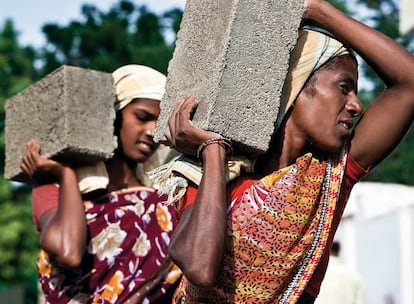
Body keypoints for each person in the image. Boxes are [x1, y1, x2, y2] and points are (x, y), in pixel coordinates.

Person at [159, 0, 414, 303]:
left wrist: (317, 10)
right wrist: (213, 152)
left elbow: (409, 83)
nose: (356, 106)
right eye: (344, 88)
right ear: (297, 86)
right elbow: (199, 268)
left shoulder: (329, 177)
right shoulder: (209, 175)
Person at [20, 64, 181, 303]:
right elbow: (69, 253)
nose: (152, 131)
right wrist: (65, 175)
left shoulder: (161, 203)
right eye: (143, 117)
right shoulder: (53, 186)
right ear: (113, 116)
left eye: (159, 124)